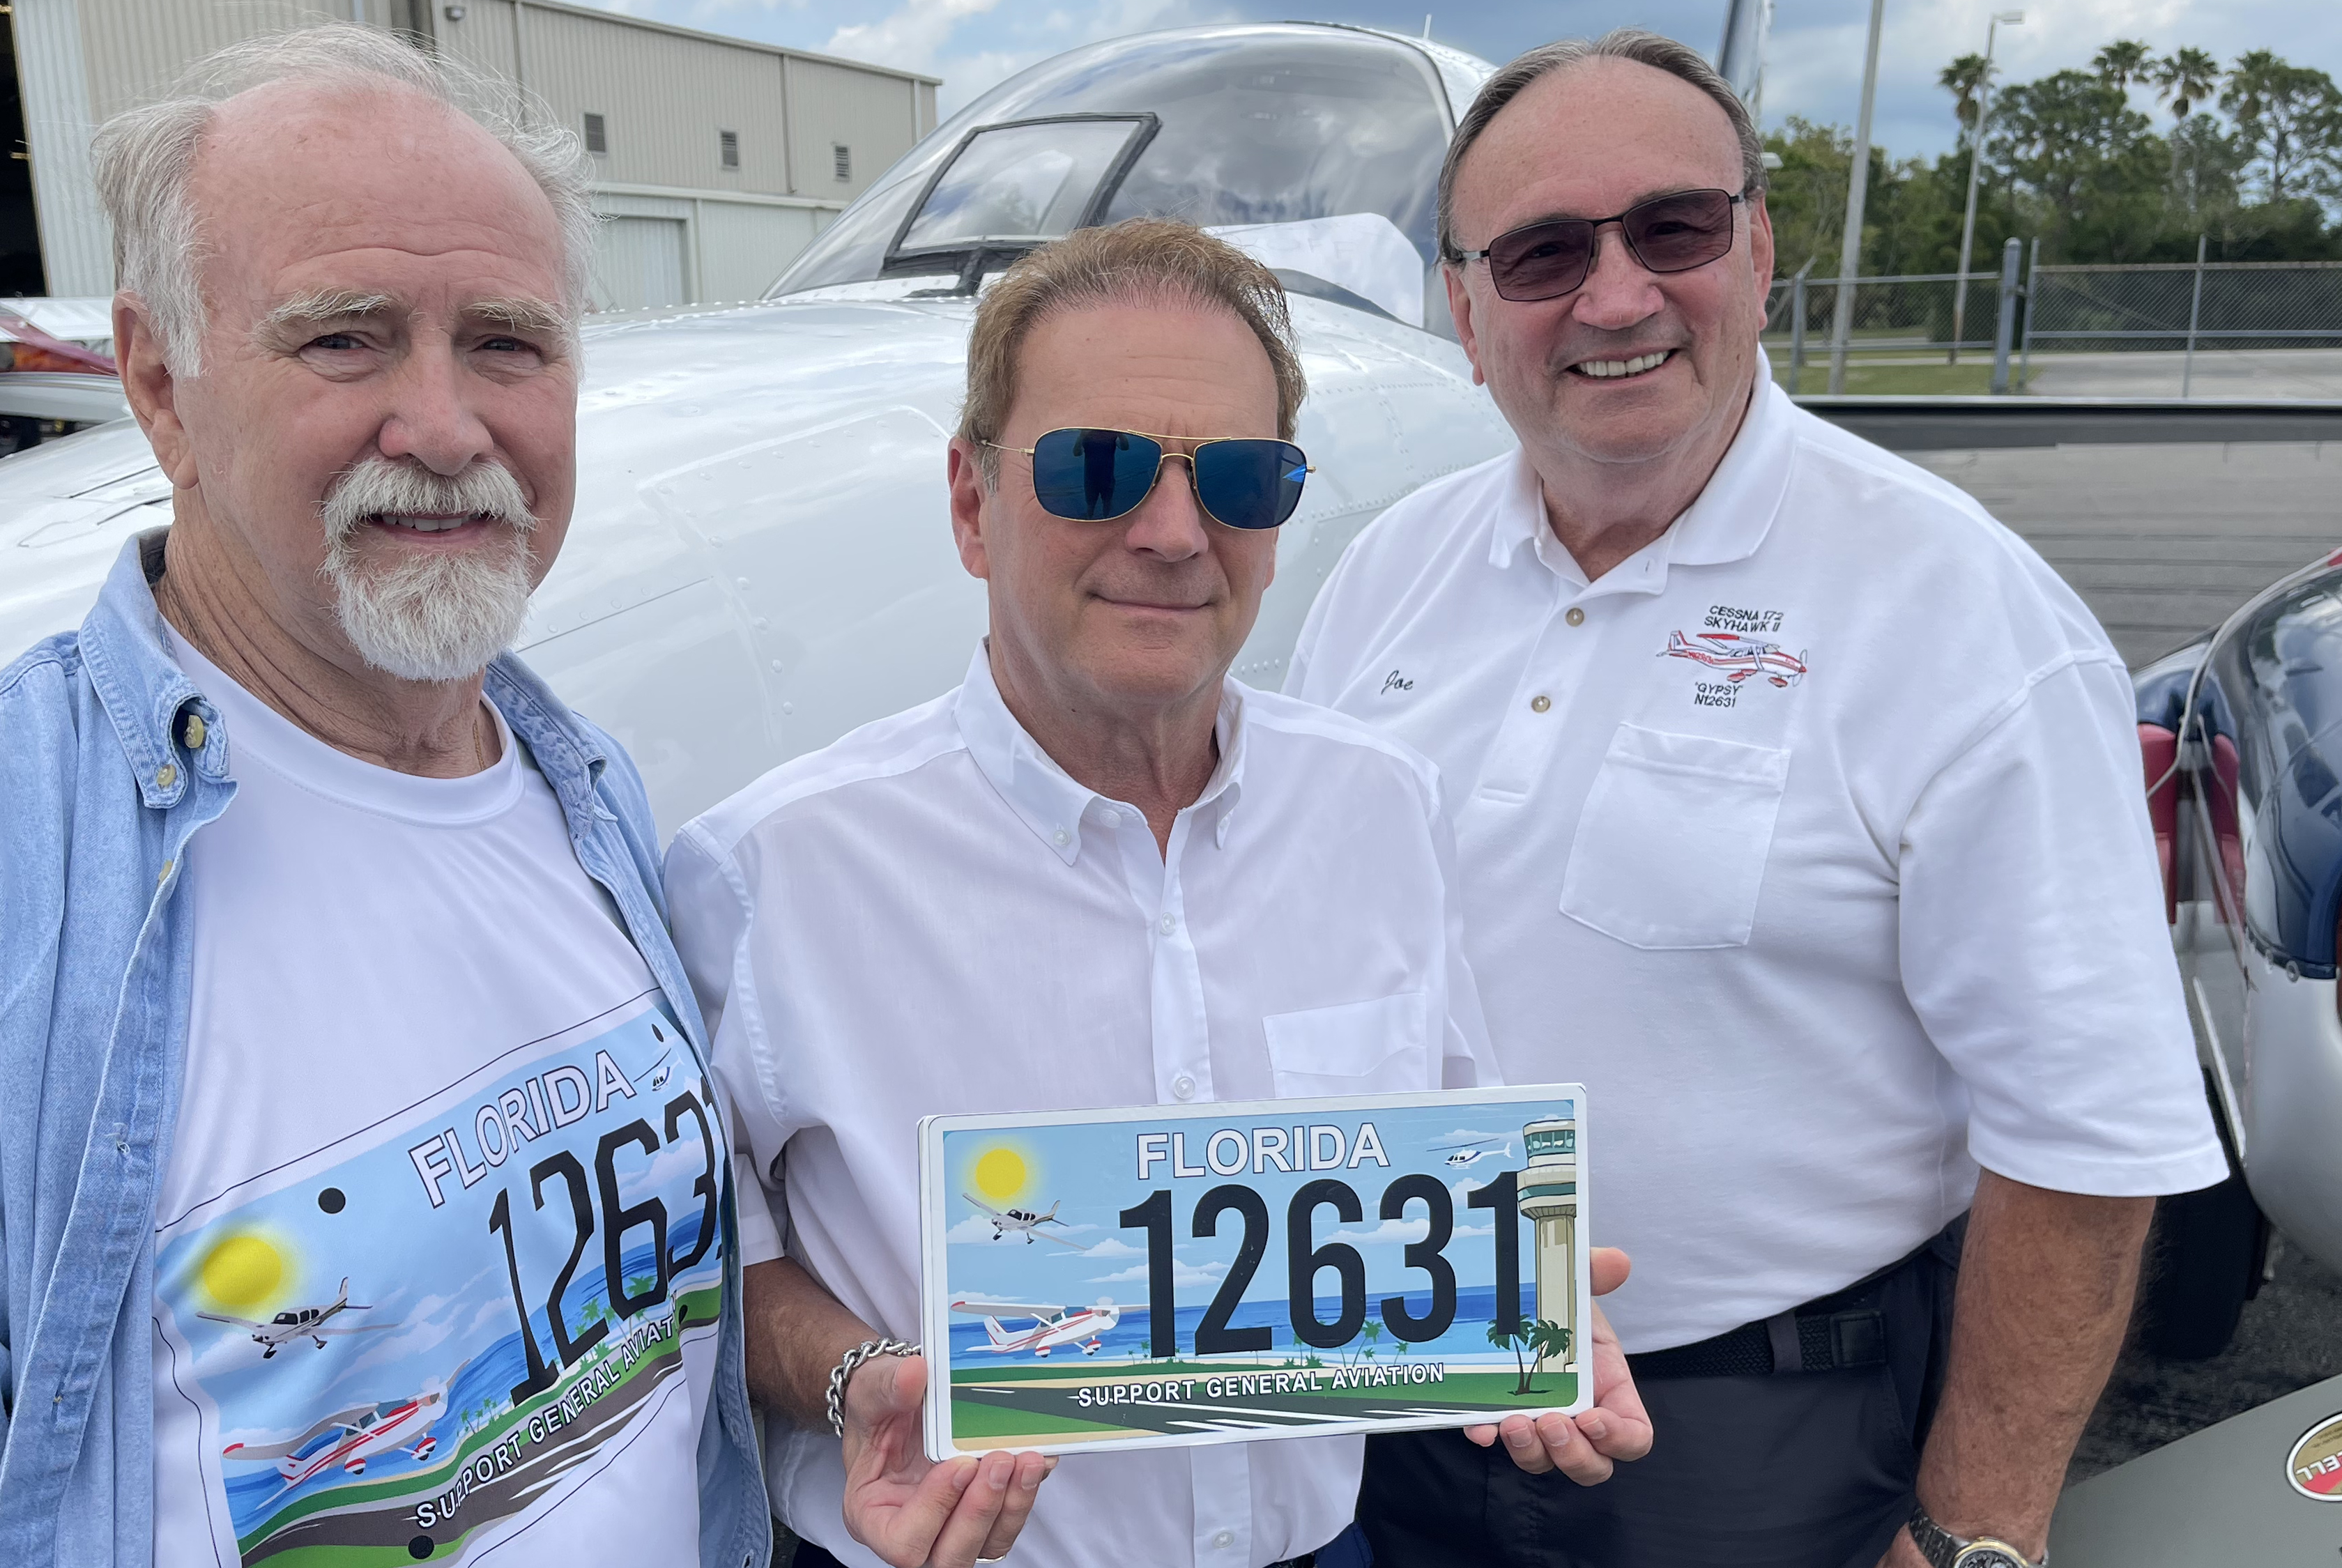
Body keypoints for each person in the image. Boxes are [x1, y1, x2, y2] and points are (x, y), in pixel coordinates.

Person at [0, 27, 768, 1568]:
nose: (447, 429)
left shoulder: (579, 792)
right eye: (343, 340)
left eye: (509, 344)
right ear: (157, 380)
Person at [1287, 31, 2227, 1568]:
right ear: (1462, 313)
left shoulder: (1956, 609)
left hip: (1751, 1448)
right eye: (1538, 256)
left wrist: (1976, 1530)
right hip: (1391, 1396)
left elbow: (2084, 1132)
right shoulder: (1387, 573)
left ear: (1758, 246)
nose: (1611, 296)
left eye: (1669, 229)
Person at [666, 219, 1654, 1568]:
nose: (1175, 532)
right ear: (971, 503)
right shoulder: (770, 869)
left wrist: (1522, 1317)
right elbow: (702, 1271)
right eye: (1095, 468)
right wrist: (863, 1380)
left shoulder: (1379, 809)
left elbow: (1436, 1152)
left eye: (1240, 479)